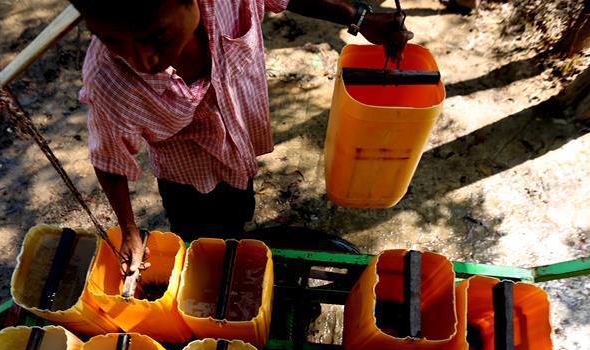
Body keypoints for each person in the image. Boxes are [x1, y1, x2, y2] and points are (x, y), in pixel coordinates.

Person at [73, 0, 412, 273]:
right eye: (113, 41)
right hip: (186, 180)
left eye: (157, 36)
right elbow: (109, 157)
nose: (141, 60)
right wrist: (129, 228)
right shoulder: (109, 82)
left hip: (241, 155)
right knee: (203, 248)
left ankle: (235, 234)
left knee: (237, 214)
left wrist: (359, 16)